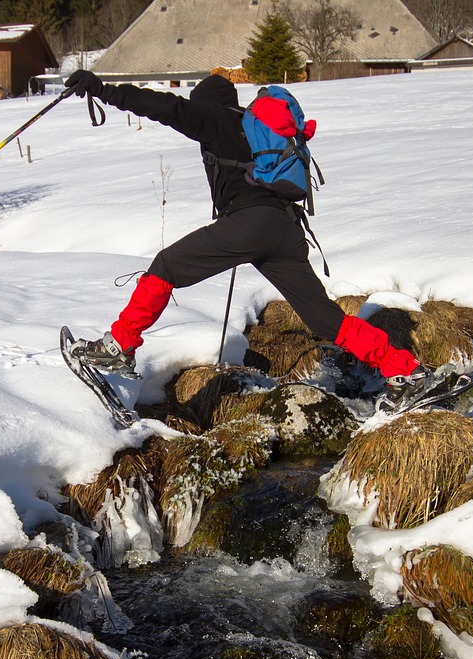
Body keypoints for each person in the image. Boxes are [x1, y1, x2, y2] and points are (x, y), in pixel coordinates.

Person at [62, 69, 432, 410]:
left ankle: (118, 346)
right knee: (326, 320)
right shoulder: (250, 128)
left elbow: (163, 106)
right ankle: (404, 369)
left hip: (250, 226)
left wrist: (103, 90)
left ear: (205, 102)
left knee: (165, 266)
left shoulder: (214, 119)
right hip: (286, 230)